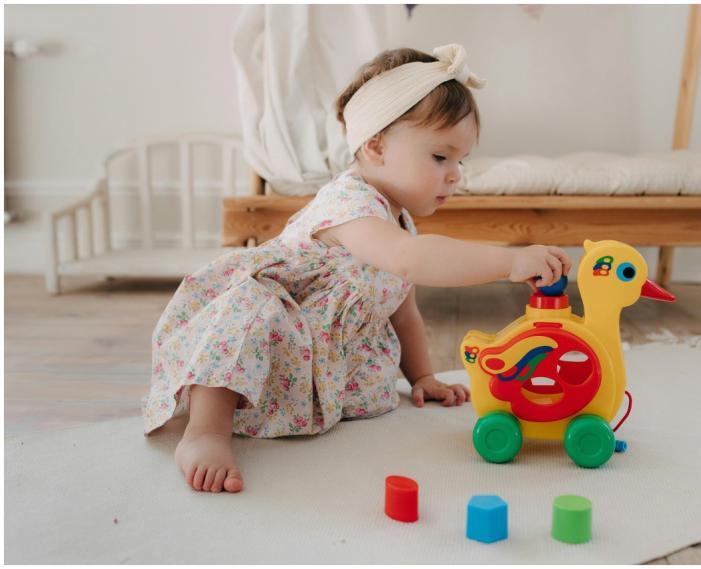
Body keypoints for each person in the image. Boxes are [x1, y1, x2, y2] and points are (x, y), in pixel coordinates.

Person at [142, 44, 571, 493]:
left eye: (460, 161)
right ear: (376, 146)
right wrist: (508, 261)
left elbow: (404, 312)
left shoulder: (399, 218)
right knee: (248, 310)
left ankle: (294, 405)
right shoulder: (350, 203)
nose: (455, 175)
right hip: (275, 331)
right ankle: (206, 433)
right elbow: (411, 260)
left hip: (321, 355)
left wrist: (422, 377)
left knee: (377, 394)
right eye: (440, 157)